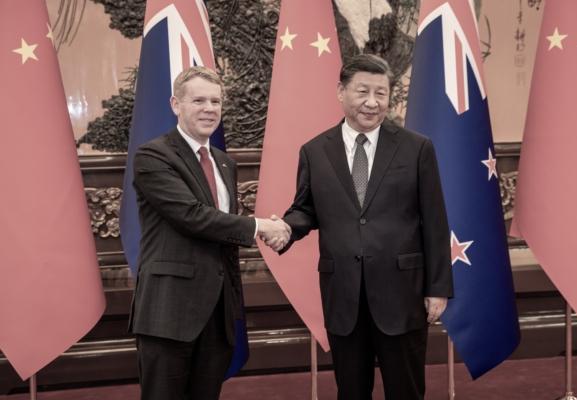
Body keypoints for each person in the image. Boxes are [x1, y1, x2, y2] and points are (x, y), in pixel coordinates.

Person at [275, 54, 454, 399]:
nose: (372, 103)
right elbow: (305, 209)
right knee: (351, 391)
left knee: (407, 390)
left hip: (403, 295)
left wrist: (438, 287)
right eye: (362, 92)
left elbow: (435, 220)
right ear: (341, 92)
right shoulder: (314, 151)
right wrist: (285, 227)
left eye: (381, 93)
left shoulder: (416, 148)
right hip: (344, 297)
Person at [128, 66, 290, 400]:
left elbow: (222, 228)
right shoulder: (153, 155)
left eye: (215, 101)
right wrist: (262, 227)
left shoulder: (224, 162)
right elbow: (192, 216)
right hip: (169, 312)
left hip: (217, 313)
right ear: (176, 104)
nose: (209, 108)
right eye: (198, 100)